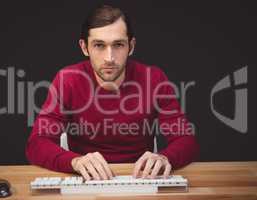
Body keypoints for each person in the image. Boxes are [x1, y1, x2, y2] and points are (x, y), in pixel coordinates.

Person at [25, 5, 200, 181]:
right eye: (99, 45)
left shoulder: (154, 78)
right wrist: (75, 162)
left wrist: (164, 158)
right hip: (86, 181)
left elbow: (185, 139)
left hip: (140, 180)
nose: (109, 57)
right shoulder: (68, 80)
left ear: (131, 46)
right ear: (84, 47)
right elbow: (37, 143)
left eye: (118, 45)